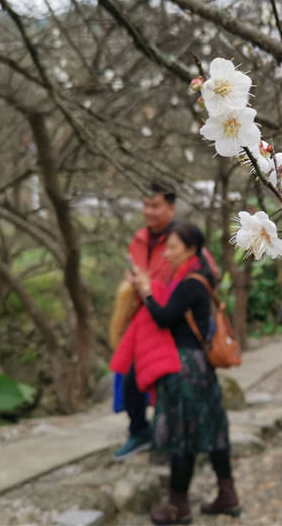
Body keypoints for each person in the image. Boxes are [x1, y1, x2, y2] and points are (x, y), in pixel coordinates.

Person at [129, 222, 239, 525]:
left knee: (181, 435)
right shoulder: (199, 278)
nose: (167, 253)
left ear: (191, 249)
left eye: (173, 247)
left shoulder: (189, 283)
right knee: (213, 429)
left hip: (183, 368)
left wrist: (146, 291)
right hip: (201, 368)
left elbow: (164, 318)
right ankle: (227, 494)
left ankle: (178, 507)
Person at [112, 182, 178, 460]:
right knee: (129, 376)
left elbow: (192, 272)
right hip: (141, 319)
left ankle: (165, 434)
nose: (148, 211)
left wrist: (150, 285)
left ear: (171, 208)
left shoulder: (180, 238)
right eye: (145, 205)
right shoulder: (139, 238)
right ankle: (139, 430)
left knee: (161, 378)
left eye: (155, 205)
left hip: (168, 317)